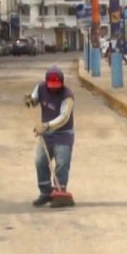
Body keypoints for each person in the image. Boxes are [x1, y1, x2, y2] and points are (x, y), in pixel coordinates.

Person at [24, 66, 75, 208]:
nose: (53, 89)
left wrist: (46, 126)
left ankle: (60, 193)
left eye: (56, 86)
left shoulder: (67, 95)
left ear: (62, 83)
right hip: (46, 134)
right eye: (51, 86)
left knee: (62, 164)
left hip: (64, 135)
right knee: (40, 161)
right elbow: (33, 99)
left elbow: (64, 117)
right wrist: (30, 101)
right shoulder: (41, 88)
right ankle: (46, 193)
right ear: (46, 83)